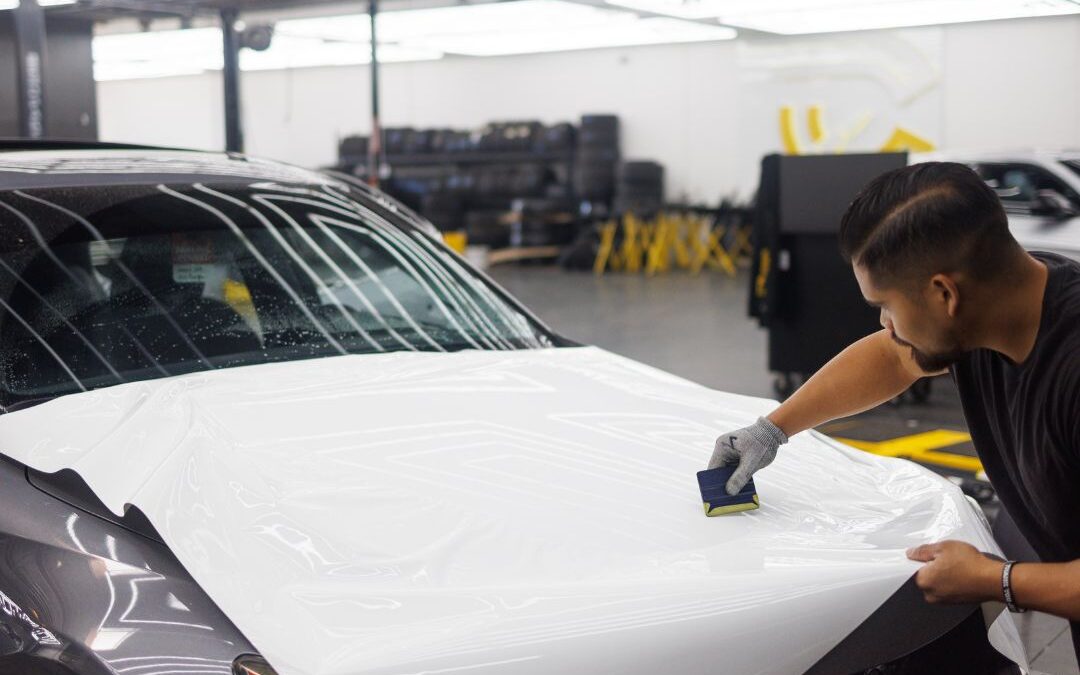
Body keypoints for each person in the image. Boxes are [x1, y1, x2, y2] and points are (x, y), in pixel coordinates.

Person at [708, 161, 1080, 659]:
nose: (885, 324)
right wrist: (772, 429)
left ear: (944, 293)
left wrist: (996, 579)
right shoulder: (1000, 297)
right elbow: (892, 356)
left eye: (886, 305)